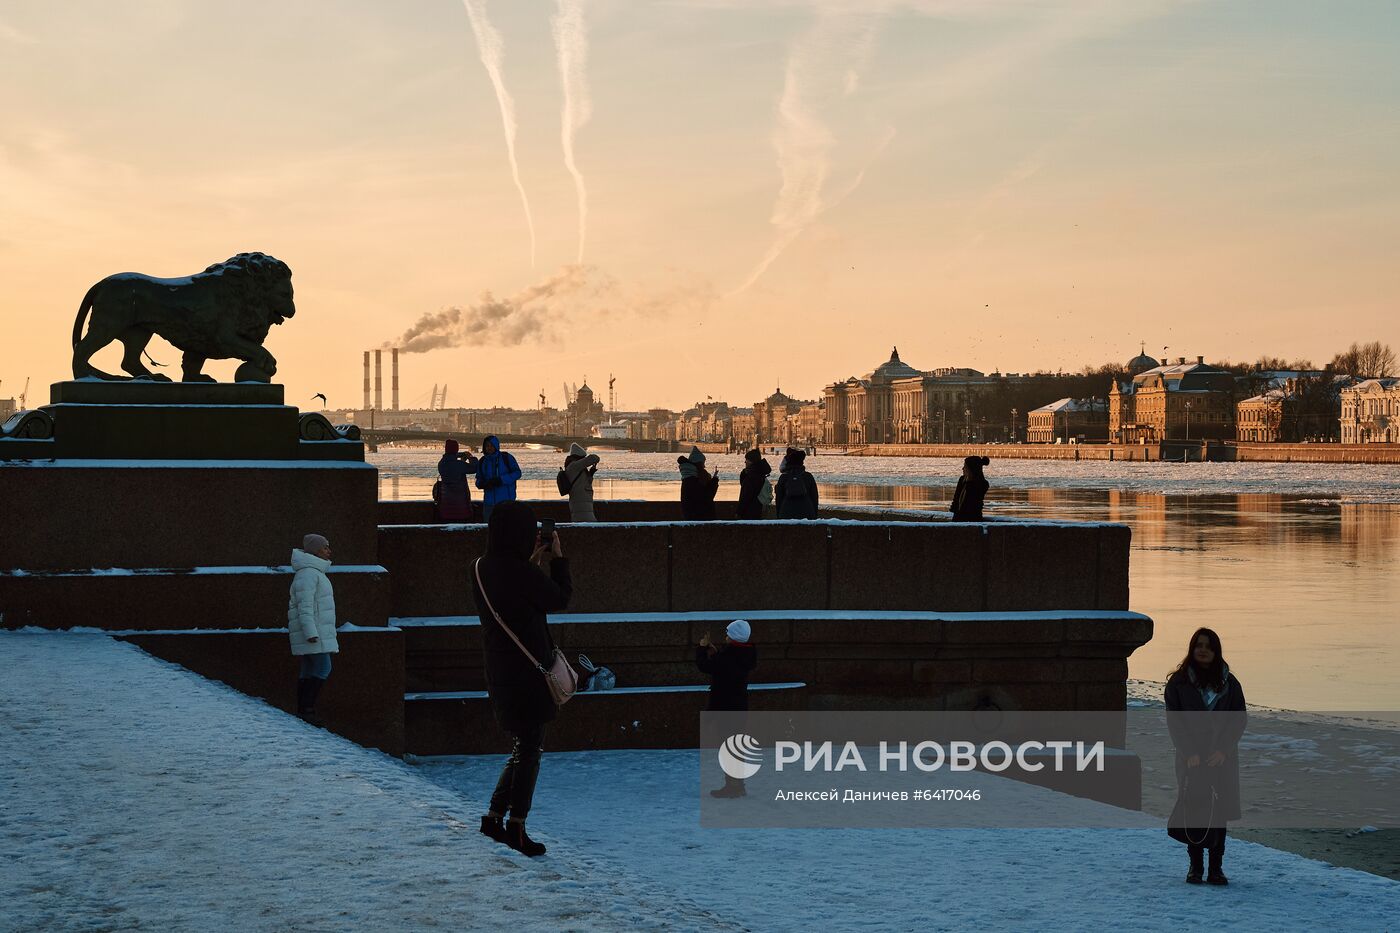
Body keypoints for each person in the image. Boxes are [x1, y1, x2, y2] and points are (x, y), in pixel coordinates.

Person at [472, 501, 571, 857]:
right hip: (530, 676)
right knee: (530, 751)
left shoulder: (480, 568)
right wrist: (557, 558)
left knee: (520, 746)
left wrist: (531, 563)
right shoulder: (522, 573)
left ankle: (493, 818)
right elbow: (560, 598)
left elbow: (510, 594)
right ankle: (517, 826)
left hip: (499, 672)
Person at [1165, 627, 1247, 886]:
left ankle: (1216, 868)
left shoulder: (1230, 683)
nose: (1203, 650)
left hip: (1220, 758)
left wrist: (1223, 749)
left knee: (1218, 810)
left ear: (1216, 651)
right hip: (1191, 759)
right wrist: (1189, 753)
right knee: (1195, 807)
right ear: (1192, 648)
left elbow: (1238, 719)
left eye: (1208, 646)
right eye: (1198, 645)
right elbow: (1174, 723)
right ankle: (1195, 866)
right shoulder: (1178, 683)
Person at [697, 619, 758, 798]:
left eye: (728, 633)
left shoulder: (728, 657)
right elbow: (725, 668)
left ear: (733, 637)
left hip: (724, 708)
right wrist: (717, 654)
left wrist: (701, 649)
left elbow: (706, 666)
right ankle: (738, 785)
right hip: (739, 707)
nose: (725, 636)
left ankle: (733, 787)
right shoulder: (745, 653)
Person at [288, 533, 339, 726]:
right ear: (316, 550)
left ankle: (303, 710)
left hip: (315, 632)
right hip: (313, 633)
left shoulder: (312, 573)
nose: (329, 551)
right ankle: (307, 710)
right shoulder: (309, 574)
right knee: (323, 667)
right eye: (325, 547)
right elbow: (305, 606)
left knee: (309, 669)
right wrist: (310, 633)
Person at [475, 435, 522, 523]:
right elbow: (478, 479)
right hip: (489, 503)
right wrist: (482, 484)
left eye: (491, 445)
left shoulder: (506, 458)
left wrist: (501, 480)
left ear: (496, 446)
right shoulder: (482, 461)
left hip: (506, 502)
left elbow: (517, 473)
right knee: (489, 527)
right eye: (487, 446)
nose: (489, 448)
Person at [435, 439, 478, 522]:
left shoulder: (441, 463)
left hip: (445, 505)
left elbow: (454, 467)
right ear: (456, 449)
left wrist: (458, 457)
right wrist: (471, 457)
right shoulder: (459, 465)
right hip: (460, 505)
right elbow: (474, 468)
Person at [775, 447, 819, 519]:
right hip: (807, 513)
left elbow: (779, 499)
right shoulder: (808, 476)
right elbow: (814, 498)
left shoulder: (783, 477)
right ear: (802, 463)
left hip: (786, 513)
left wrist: (779, 515)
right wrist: (814, 514)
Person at [560, 443, 600, 522]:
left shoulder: (575, 467)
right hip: (580, 501)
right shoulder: (574, 465)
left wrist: (590, 473)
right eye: (582, 458)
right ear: (578, 457)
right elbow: (594, 458)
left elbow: (584, 483)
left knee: (585, 522)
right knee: (586, 522)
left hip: (583, 500)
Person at [678, 446, 719, 521]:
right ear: (698, 464)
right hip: (700, 517)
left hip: (694, 516)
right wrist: (714, 481)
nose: (704, 466)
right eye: (703, 463)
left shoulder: (689, 477)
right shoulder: (695, 479)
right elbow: (707, 497)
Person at [950, 456, 990, 521]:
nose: (962, 469)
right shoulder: (962, 480)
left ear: (971, 469)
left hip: (973, 519)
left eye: (965, 467)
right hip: (957, 517)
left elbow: (972, 502)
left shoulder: (982, 484)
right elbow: (956, 498)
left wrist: (969, 481)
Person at [736, 449, 772, 520]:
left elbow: (745, 495)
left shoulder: (752, 476)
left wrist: (739, 512)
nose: (745, 462)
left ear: (752, 461)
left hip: (750, 511)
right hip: (759, 508)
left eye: (747, 459)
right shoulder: (760, 473)